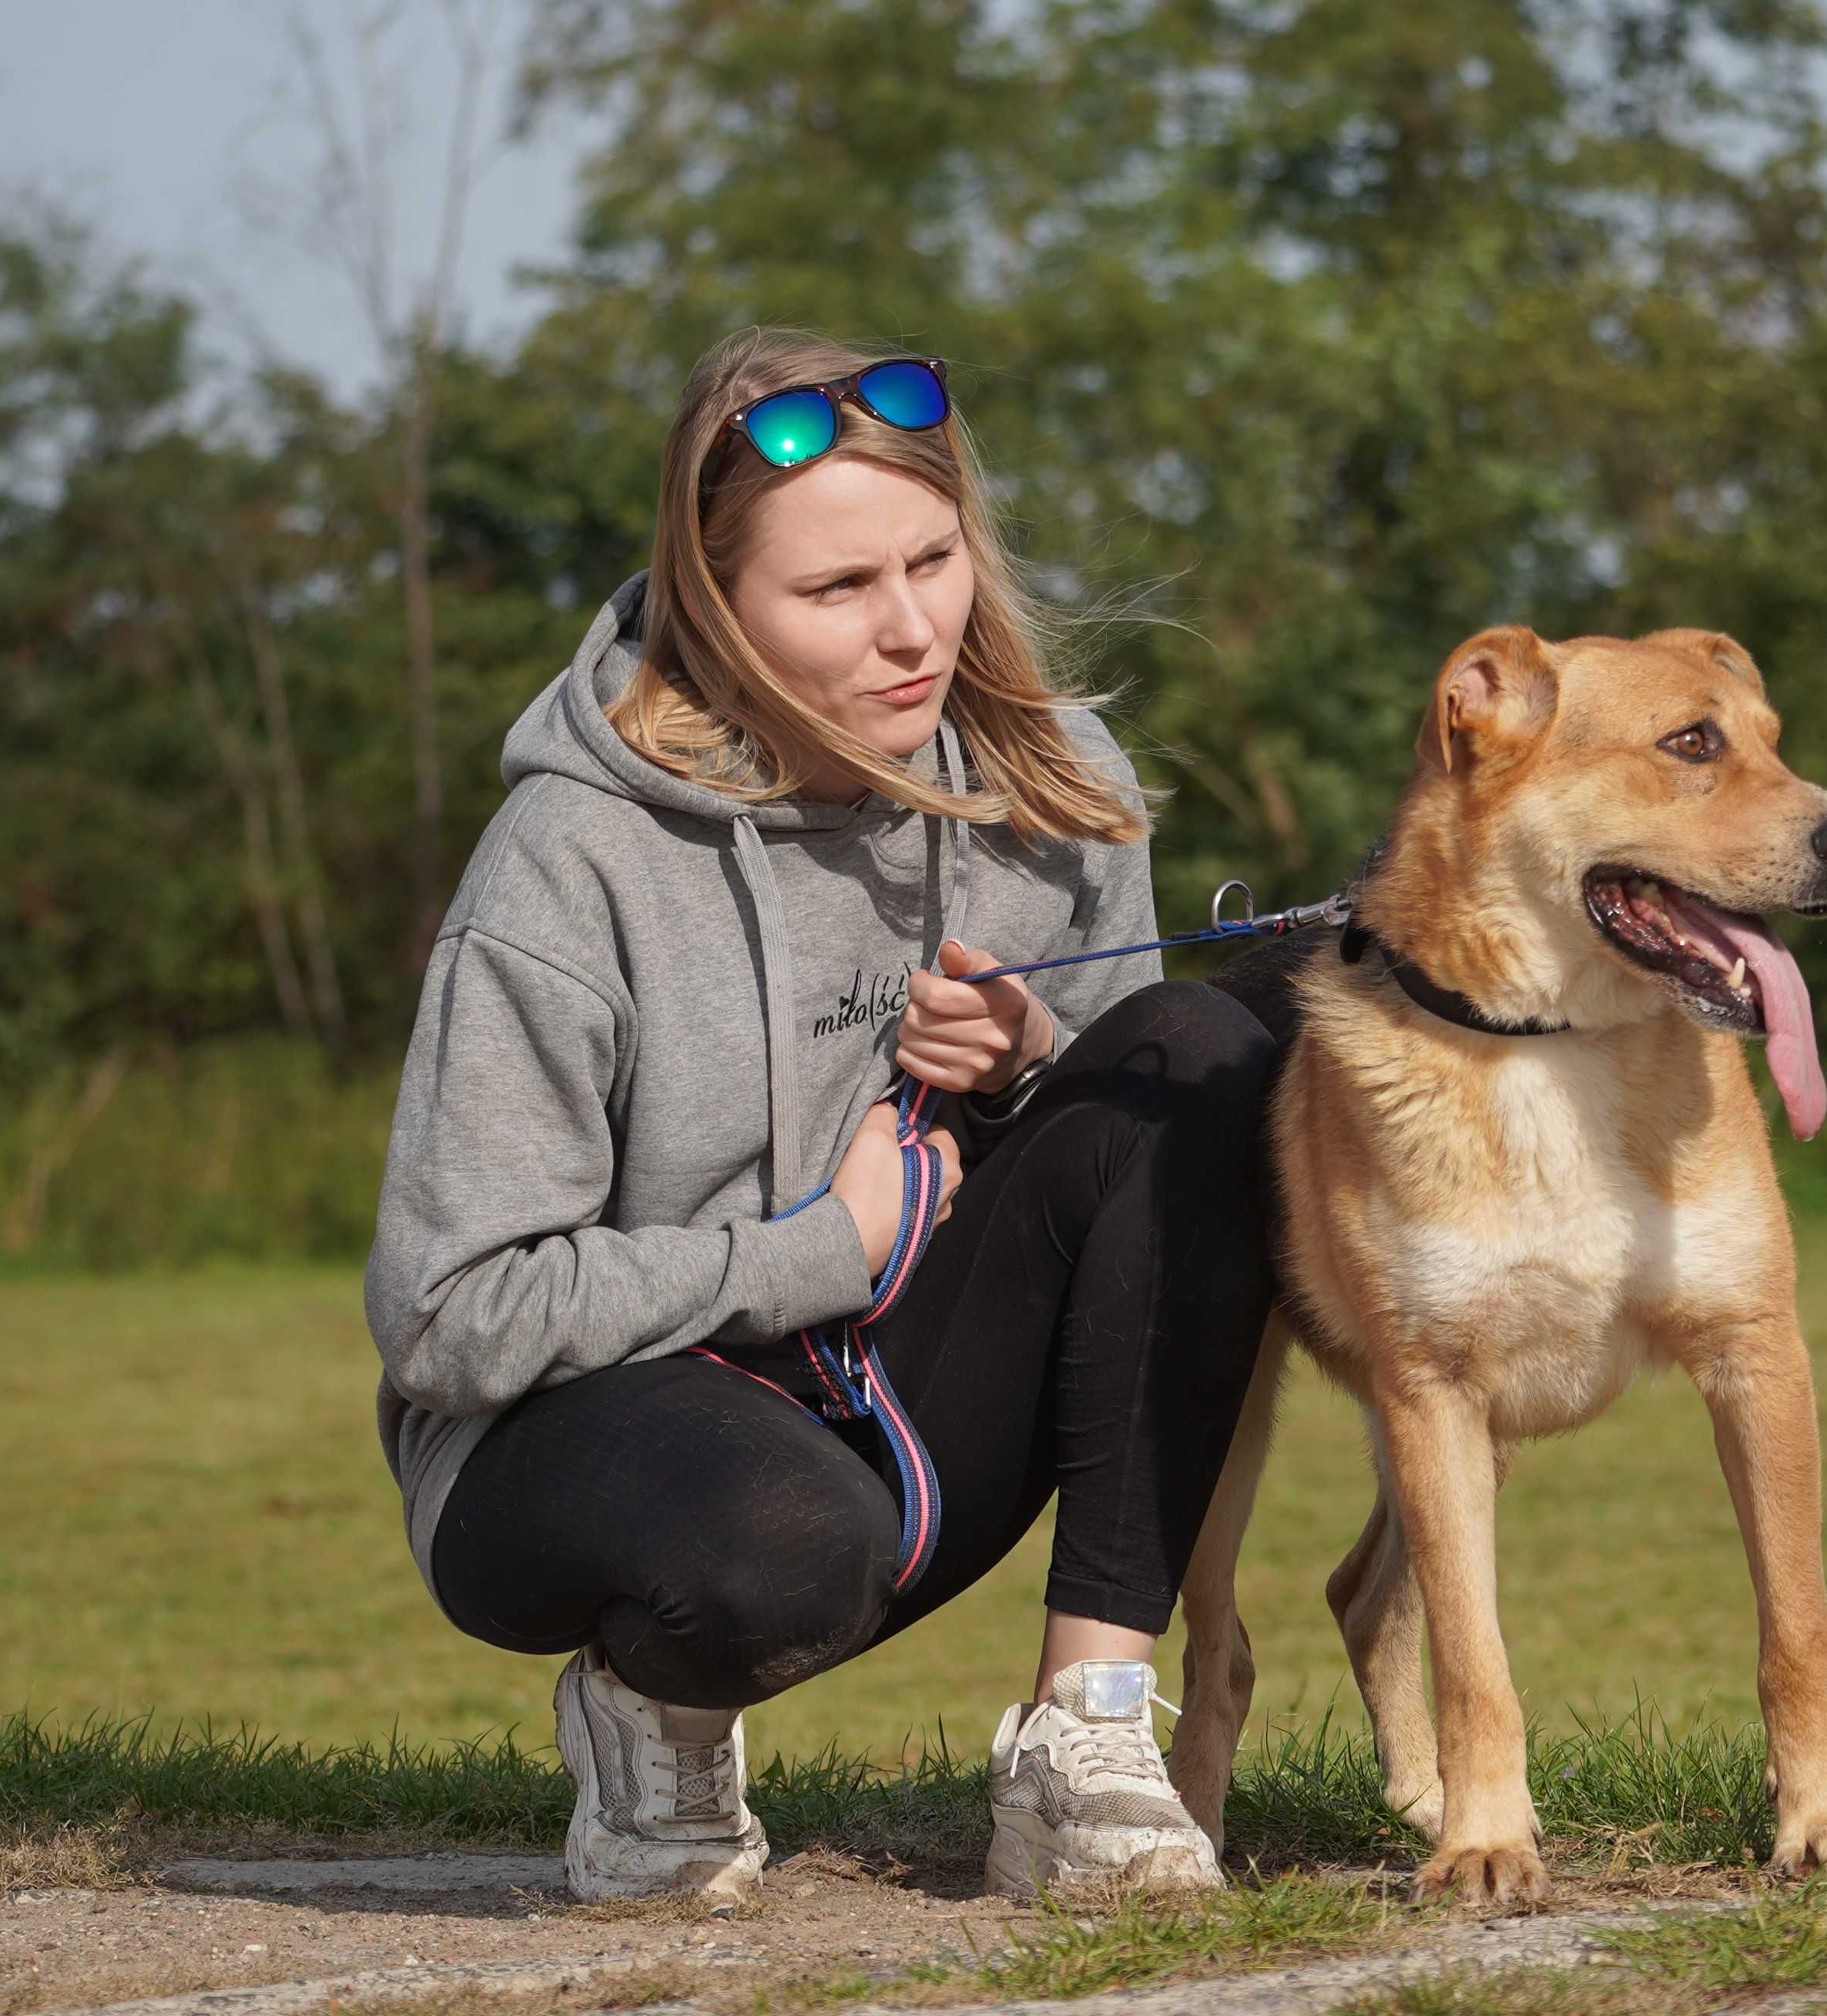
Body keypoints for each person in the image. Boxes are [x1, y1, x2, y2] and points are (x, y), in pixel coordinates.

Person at [361, 328, 1281, 1910]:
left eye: (935, 560)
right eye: (837, 590)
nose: (914, 627)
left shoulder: (1060, 784)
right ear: (719, 602)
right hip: (575, 1440)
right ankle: (647, 1709)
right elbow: (447, 1316)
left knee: (1191, 1051)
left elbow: (1125, 1233)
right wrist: (814, 1249)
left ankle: (1089, 1735)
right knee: (784, 1541)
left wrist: (1032, 1064)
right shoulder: (568, 859)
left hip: (885, 1399)